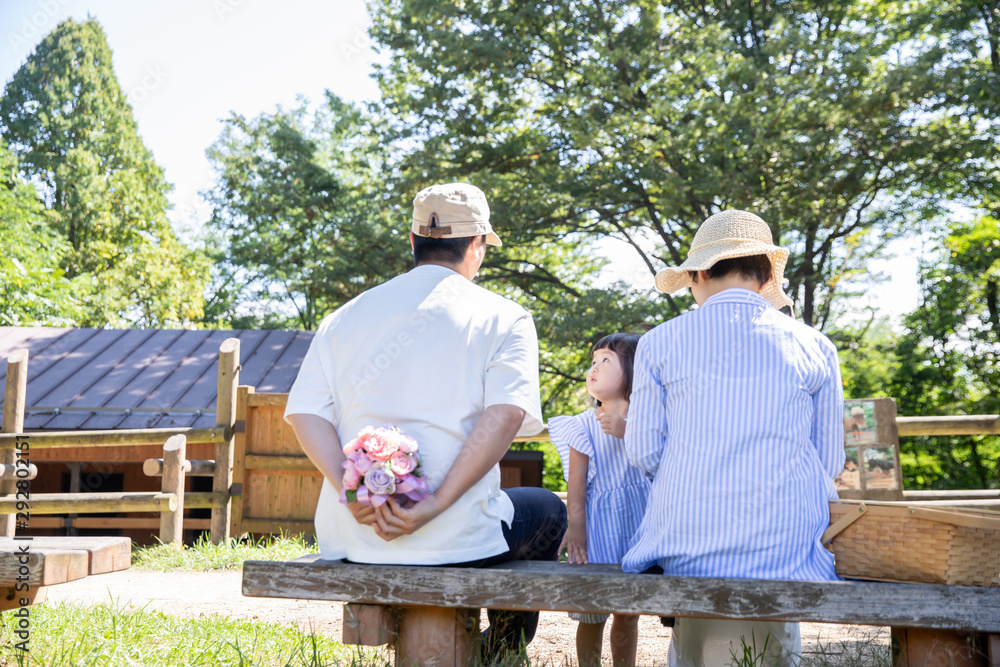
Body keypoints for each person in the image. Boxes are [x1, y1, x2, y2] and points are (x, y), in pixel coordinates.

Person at [283, 182, 567, 659]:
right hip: (459, 539)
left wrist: (355, 494)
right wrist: (432, 506)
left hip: (353, 535)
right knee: (548, 510)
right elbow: (505, 416)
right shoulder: (505, 317)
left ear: (413, 242)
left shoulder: (344, 315)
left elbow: (305, 412)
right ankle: (498, 651)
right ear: (477, 246)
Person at [622, 210, 845, 667]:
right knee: (771, 651)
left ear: (699, 272)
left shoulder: (659, 342)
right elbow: (830, 461)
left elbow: (643, 451)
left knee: (695, 650)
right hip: (785, 550)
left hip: (687, 544)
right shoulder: (815, 346)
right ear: (765, 278)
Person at [549, 333, 650, 667]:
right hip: (598, 528)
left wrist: (627, 430)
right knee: (591, 614)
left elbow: (663, 466)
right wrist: (576, 527)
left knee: (628, 612)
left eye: (606, 361)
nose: (594, 368)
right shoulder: (582, 425)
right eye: (593, 362)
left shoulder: (648, 423)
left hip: (638, 527)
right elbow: (576, 482)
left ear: (634, 370)